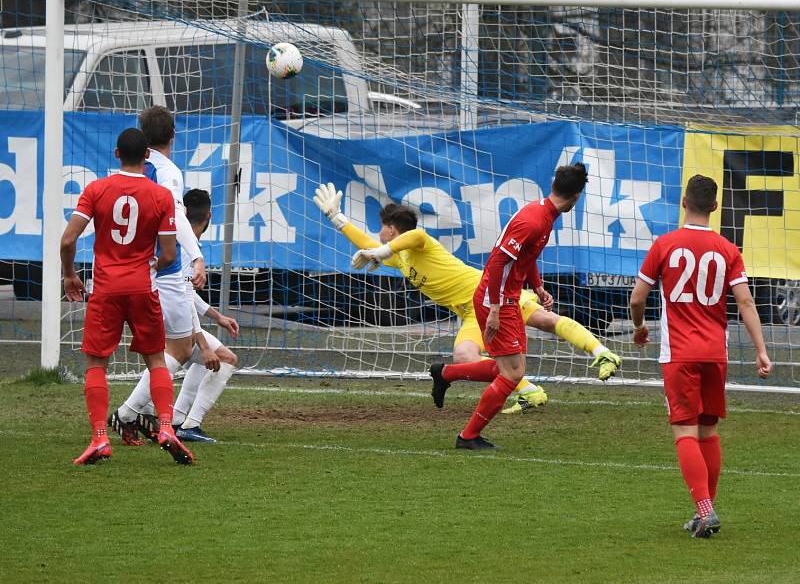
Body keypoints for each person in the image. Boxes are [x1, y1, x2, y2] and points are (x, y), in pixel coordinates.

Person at [314, 178, 619, 415]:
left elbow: (413, 237)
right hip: (469, 311)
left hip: (486, 293)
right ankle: (529, 391)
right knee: (464, 358)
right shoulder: (400, 257)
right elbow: (367, 242)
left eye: (382, 230)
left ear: (392, 231)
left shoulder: (420, 244)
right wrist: (336, 218)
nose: (378, 235)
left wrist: (380, 251)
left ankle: (602, 352)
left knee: (544, 320)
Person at [629, 174, 772, 538]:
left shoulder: (664, 244)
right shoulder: (728, 249)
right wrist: (760, 350)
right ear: (714, 206)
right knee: (708, 430)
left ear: (683, 203)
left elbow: (637, 298)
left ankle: (705, 511)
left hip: (679, 352)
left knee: (684, 431)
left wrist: (639, 326)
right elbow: (745, 301)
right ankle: (704, 509)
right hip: (714, 353)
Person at [427, 163, 589, 449]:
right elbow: (499, 262)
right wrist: (496, 309)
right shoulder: (535, 220)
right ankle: (468, 436)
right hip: (498, 300)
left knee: (510, 369)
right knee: (512, 374)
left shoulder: (543, 215)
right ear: (577, 196)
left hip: (507, 298)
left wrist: (537, 286)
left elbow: (525, 258)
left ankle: (445, 373)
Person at [60, 128, 193, 465]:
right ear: (147, 156)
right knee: (156, 359)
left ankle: (100, 439)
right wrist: (149, 266)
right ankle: (165, 427)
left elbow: (67, 241)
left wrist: (69, 274)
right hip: (142, 287)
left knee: (96, 364)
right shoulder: (161, 196)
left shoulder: (96, 189)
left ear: (116, 154)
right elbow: (167, 252)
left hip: (105, 289)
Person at [107, 106, 213, 445]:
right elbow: (176, 216)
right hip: (165, 272)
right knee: (180, 348)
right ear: (172, 135)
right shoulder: (167, 171)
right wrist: (197, 256)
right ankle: (128, 413)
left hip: (132, 268)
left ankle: (145, 414)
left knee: (161, 347)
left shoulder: (134, 169)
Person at [158, 189, 239, 443]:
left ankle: (178, 419)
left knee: (197, 359)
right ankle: (135, 412)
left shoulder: (179, 243)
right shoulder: (187, 249)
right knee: (224, 358)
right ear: (210, 216)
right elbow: (183, 296)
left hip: (165, 313)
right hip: (175, 318)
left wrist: (218, 318)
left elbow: (187, 293)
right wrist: (203, 344)